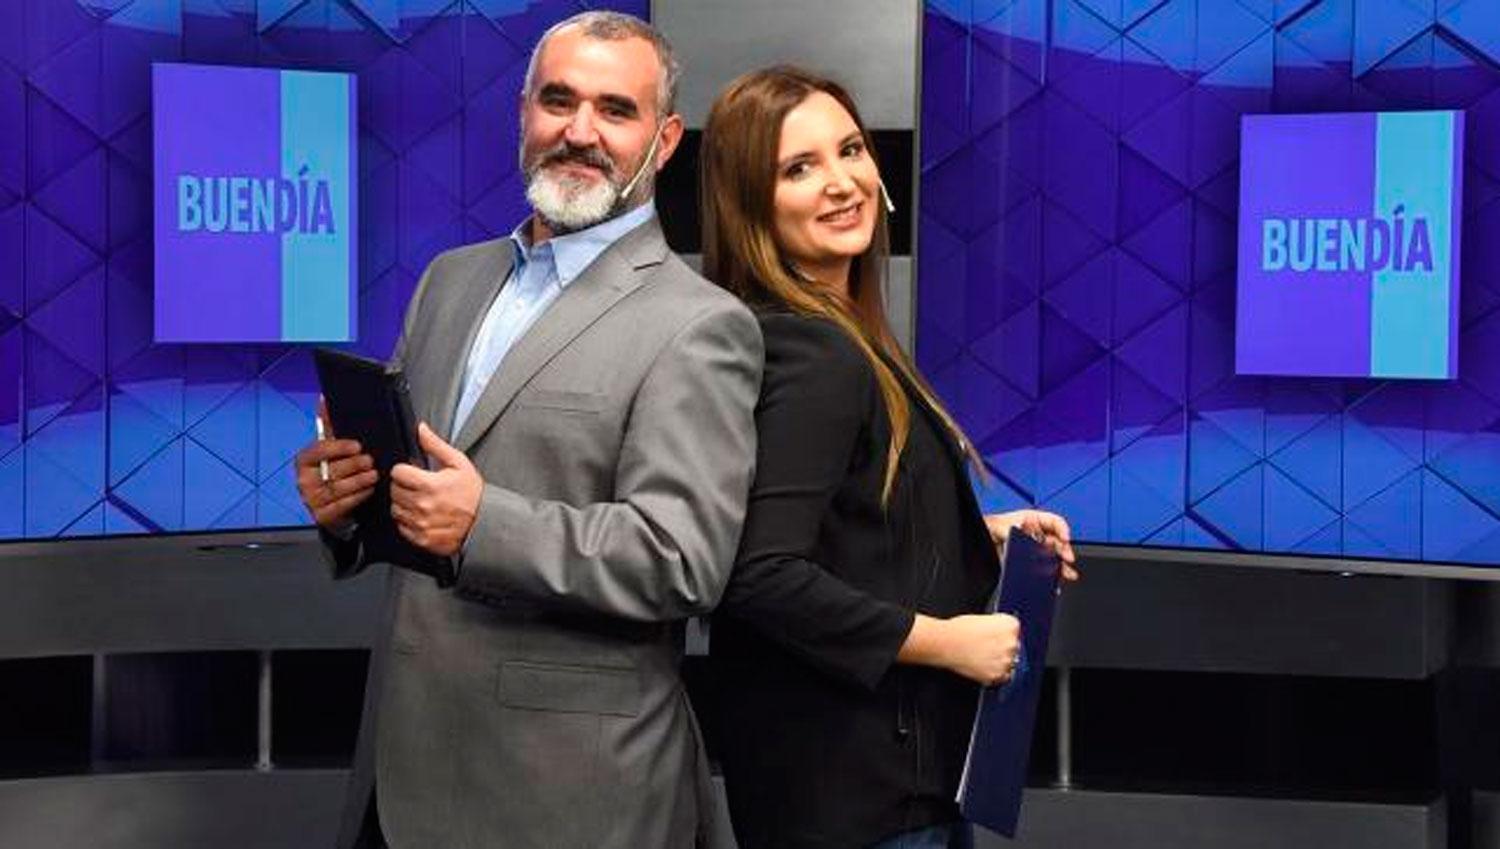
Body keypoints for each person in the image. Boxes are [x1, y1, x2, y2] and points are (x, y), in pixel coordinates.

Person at [294, 13, 762, 849]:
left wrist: (484, 523)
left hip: (569, 795)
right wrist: (347, 506)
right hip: (400, 770)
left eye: (615, 110)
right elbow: (417, 496)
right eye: (558, 100)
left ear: (664, 141)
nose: (580, 131)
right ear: (523, 115)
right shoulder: (449, 279)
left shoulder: (700, 325)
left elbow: (683, 559)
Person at [699, 66, 1079, 849]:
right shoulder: (814, 353)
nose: (842, 182)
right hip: (861, 802)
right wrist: (950, 640)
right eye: (799, 168)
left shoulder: (836, 331)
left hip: (877, 795)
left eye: (850, 150)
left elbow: (838, 523)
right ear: (751, 203)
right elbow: (760, 573)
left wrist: (980, 533)